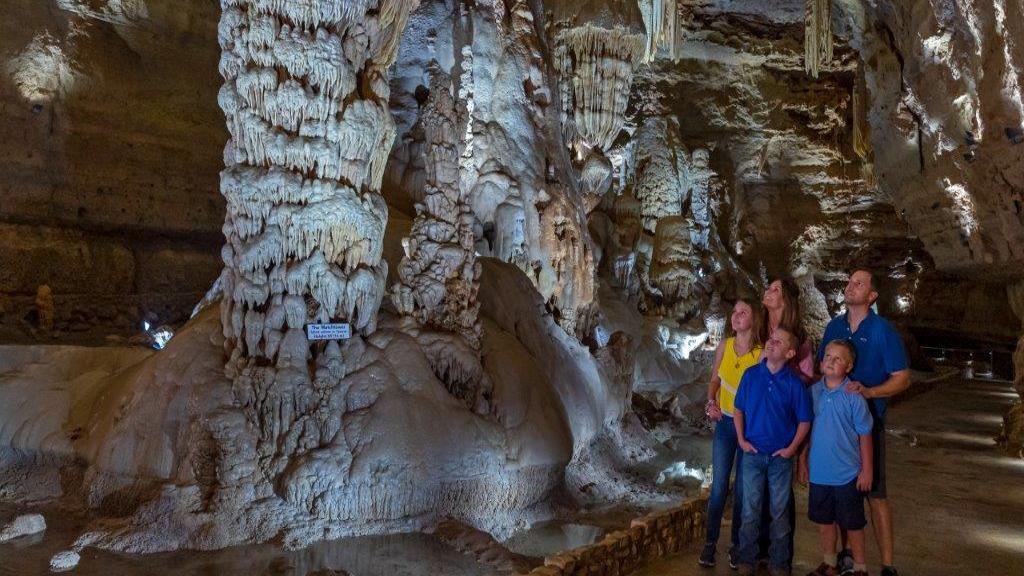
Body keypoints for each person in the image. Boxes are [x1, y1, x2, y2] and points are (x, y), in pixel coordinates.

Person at [818, 269, 910, 576]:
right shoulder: (834, 327)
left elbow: (902, 378)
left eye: (859, 284)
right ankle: (847, 556)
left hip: (870, 421)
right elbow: (822, 369)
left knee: (876, 494)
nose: (850, 286)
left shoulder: (882, 330)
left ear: (872, 296)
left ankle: (887, 565)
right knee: (844, 493)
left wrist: (870, 392)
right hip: (837, 424)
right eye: (850, 282)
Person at [734, 327, 813, 576]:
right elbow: (738, 409)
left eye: (779, 342)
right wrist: (741, 440)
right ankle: (747, 558)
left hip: (780, 458)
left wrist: (792, 449)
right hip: (753, 453)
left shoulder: (794, 384)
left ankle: (779, 562)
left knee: (779, 512)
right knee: (750, 509)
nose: (771, 343)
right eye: (771, 339)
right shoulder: (750, 375)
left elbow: (804, 420)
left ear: (790, 353)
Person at [699, 298, 766, 569]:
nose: (736, 316)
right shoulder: (725, 345)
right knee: (718, 487)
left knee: (741, 489)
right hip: (725, 424)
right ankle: (709, 544)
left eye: (743, 312)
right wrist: (710, 402)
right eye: (735, 312)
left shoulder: (760, 353)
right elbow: (715, 380)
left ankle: (737, 546)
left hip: (749, 428)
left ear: (754, 319)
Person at [801, 340, 873, 576]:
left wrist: (867, 470)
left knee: (853, 523)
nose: (830, 361)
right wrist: (803, 460)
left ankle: (860, 567)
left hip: (847, 473)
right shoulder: (814, 392)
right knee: (825, 521)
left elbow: (865, 434)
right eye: (827, 356)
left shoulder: (854, 397)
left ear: (849, 366)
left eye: (838, 359)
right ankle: (830, 563)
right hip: (820, 472)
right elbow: (808, 429)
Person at [762, 278, 815, 383]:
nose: (767, 291)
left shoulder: (800, 338)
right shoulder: (758, 328)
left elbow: (808, 376)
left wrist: (781, 379)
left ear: (786, 301)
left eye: (776, 290)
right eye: (768, 288)